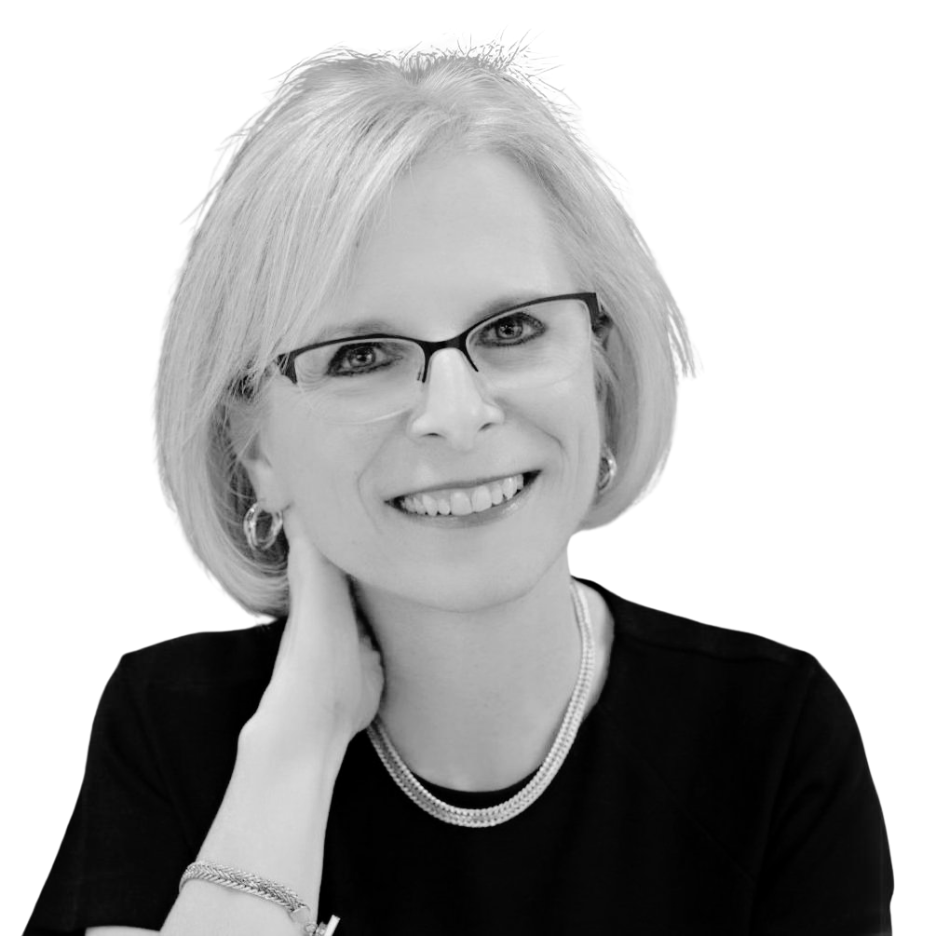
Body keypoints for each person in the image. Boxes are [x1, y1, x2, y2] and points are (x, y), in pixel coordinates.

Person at [25, 28, 892, 936]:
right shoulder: (171, 724)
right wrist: (296, 745)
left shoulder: (769, 731)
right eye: (361, 354)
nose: (456, 409)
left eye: (513, 329)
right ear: (255, 444)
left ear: (600, 363)